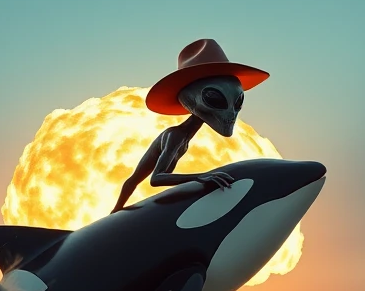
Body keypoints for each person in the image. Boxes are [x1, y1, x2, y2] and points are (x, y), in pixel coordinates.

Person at [110, 38, 269, 212]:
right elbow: (156, 178)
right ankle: (115, 211)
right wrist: (202, 177)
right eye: (214, 99)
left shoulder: (185, 137)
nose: (231, 114)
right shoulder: (175, 136)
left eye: (238, 102)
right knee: (134, 179)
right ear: (189, 99)